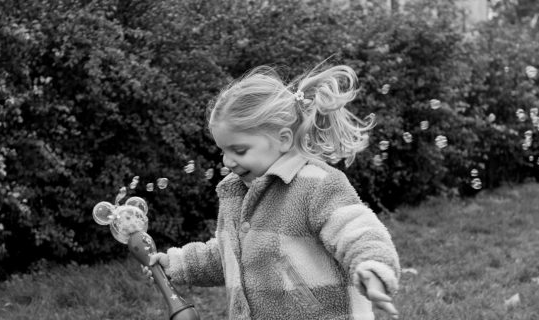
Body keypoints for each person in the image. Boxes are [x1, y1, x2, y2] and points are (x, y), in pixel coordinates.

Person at [146, 63, 401, 320]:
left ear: (283, 139)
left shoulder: (316, 184)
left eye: (240, 150)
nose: (227, 161)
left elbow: (358, 231)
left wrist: (373, 266)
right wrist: (180, 264)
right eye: (223, 151)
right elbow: (230, 253)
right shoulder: (237, 193)